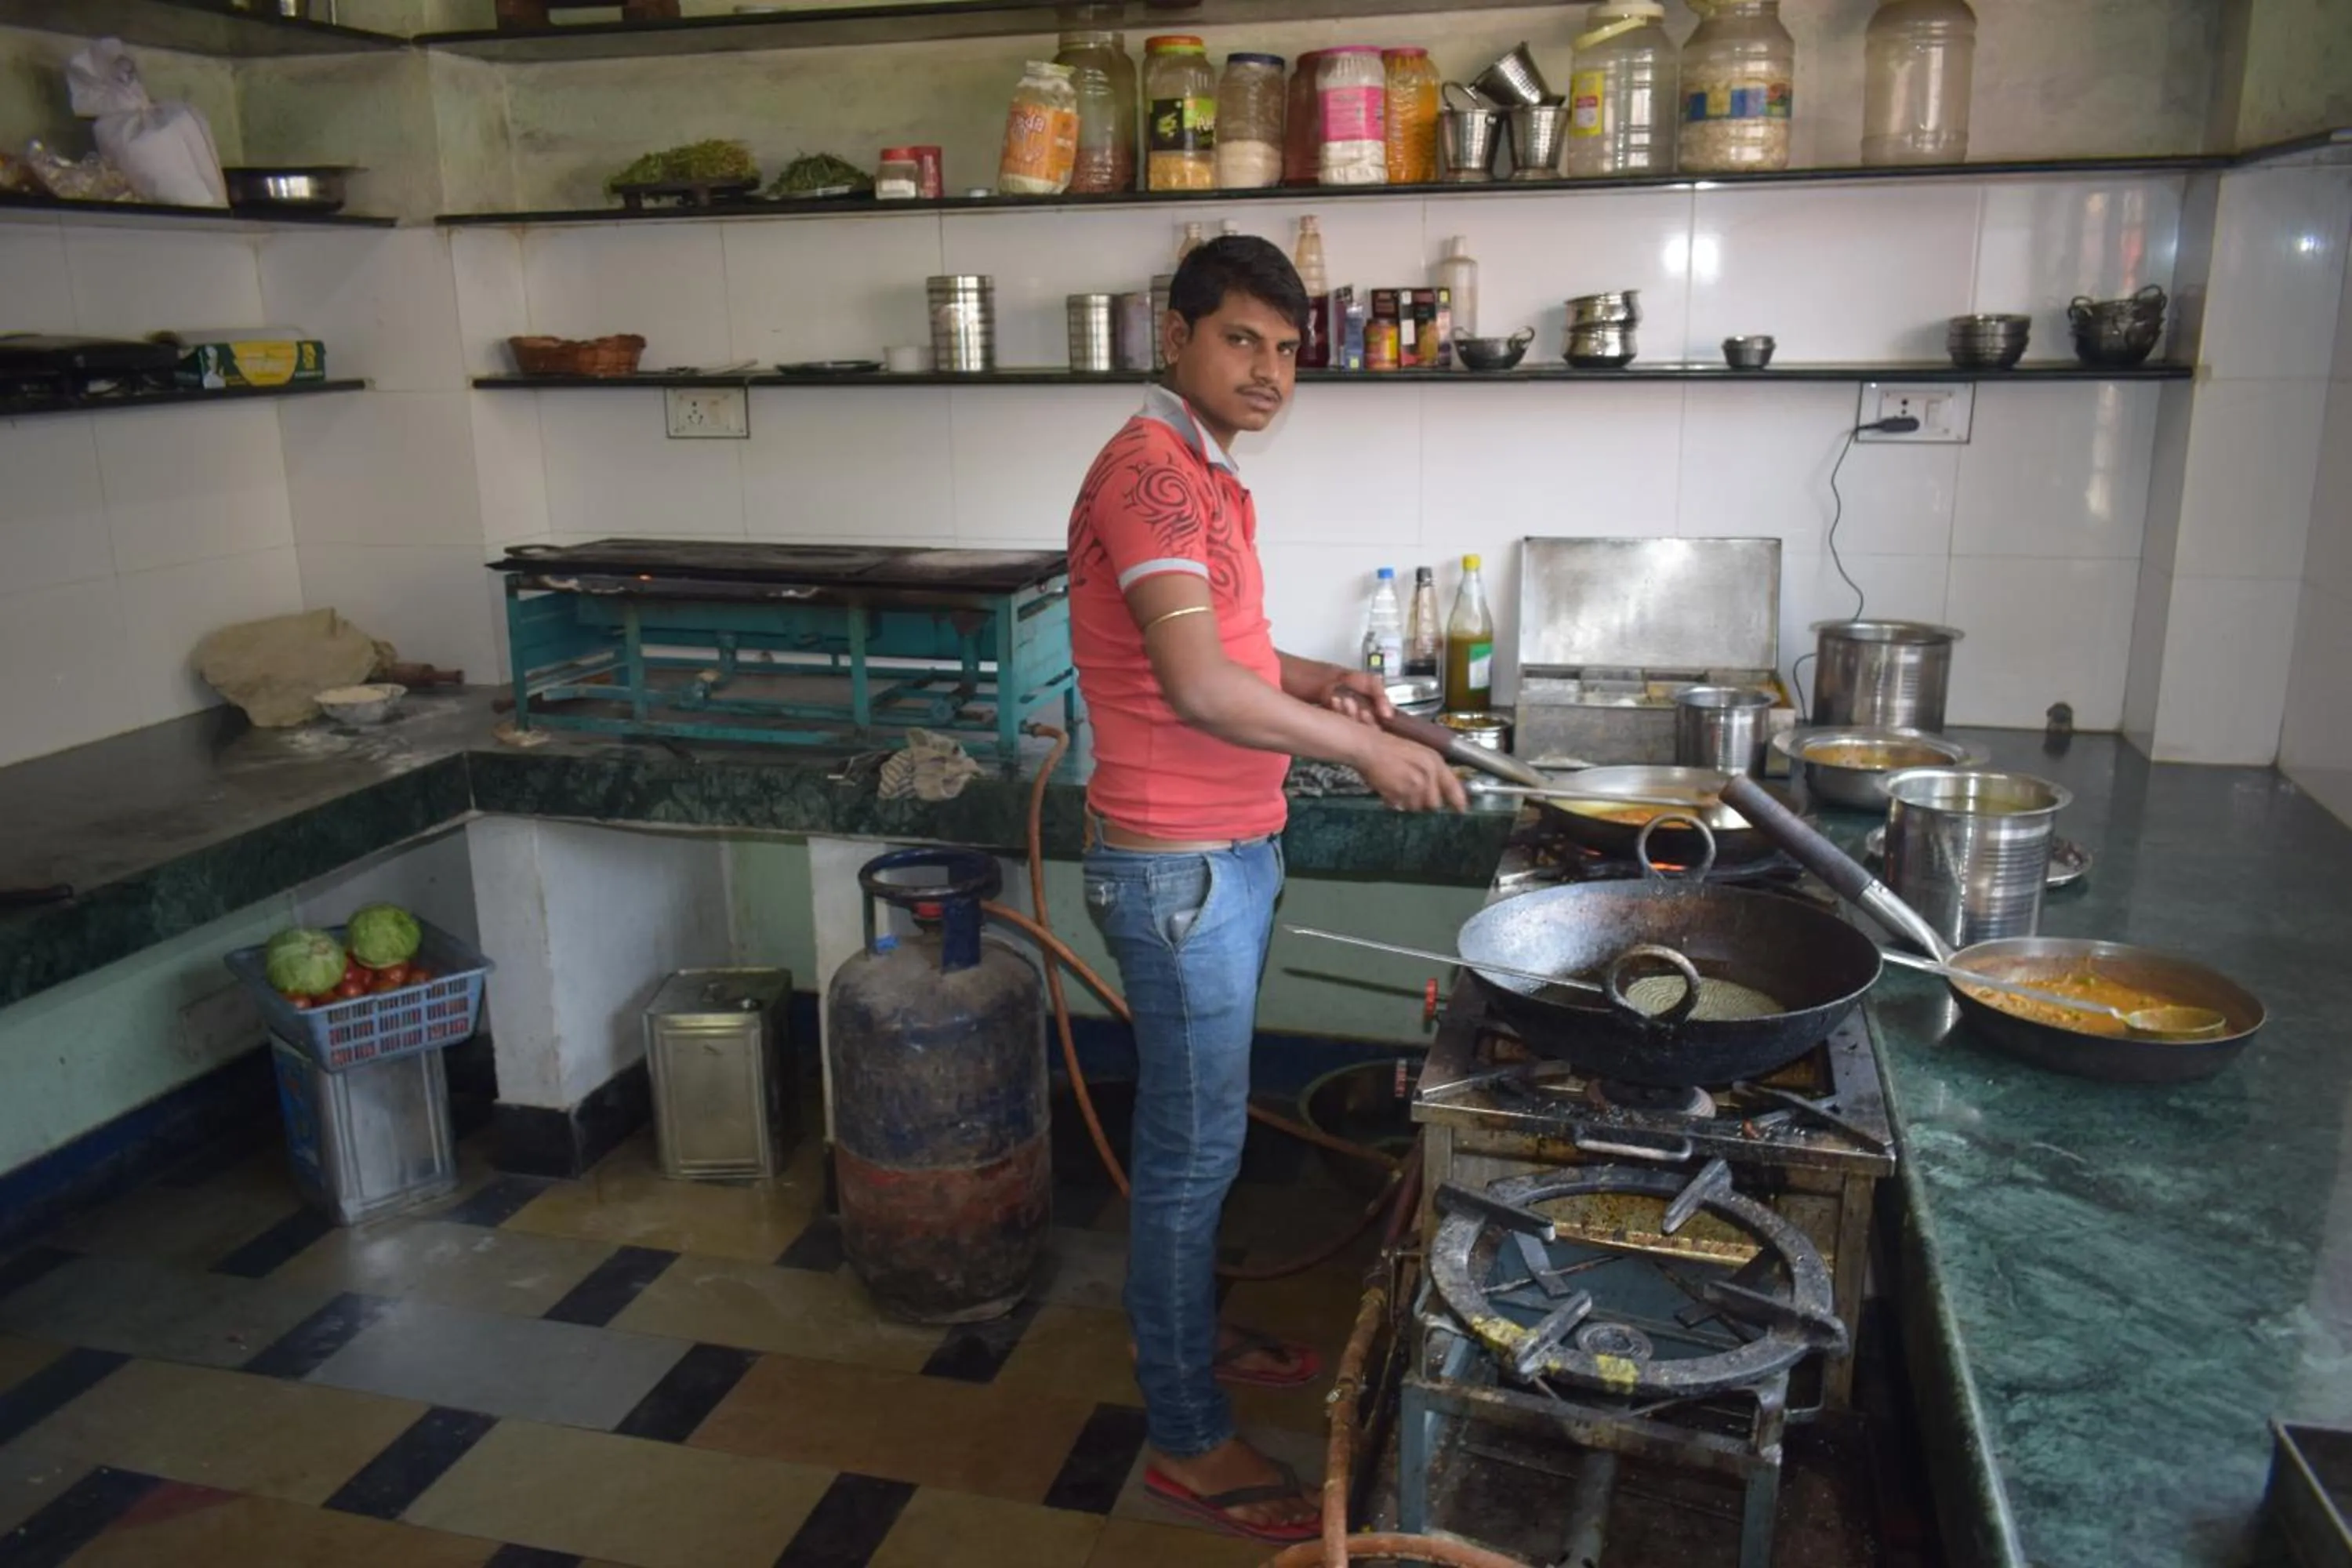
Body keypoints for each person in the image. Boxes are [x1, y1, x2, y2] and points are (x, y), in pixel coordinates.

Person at [1065, 235, 1467, 1545]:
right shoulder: (1152, 477)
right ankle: (1184, 1436)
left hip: (1225, 851)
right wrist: (1372, 746)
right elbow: (1188, 689)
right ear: (1174, 334)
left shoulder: (1200, 477)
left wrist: (1315, 679)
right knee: (1192, 1159)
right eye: (1243, 339)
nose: (1272, 371)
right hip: (1180, 867)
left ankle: (1193, 1337)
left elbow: (1221, 651)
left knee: (1206, 1135)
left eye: (1290, 350)